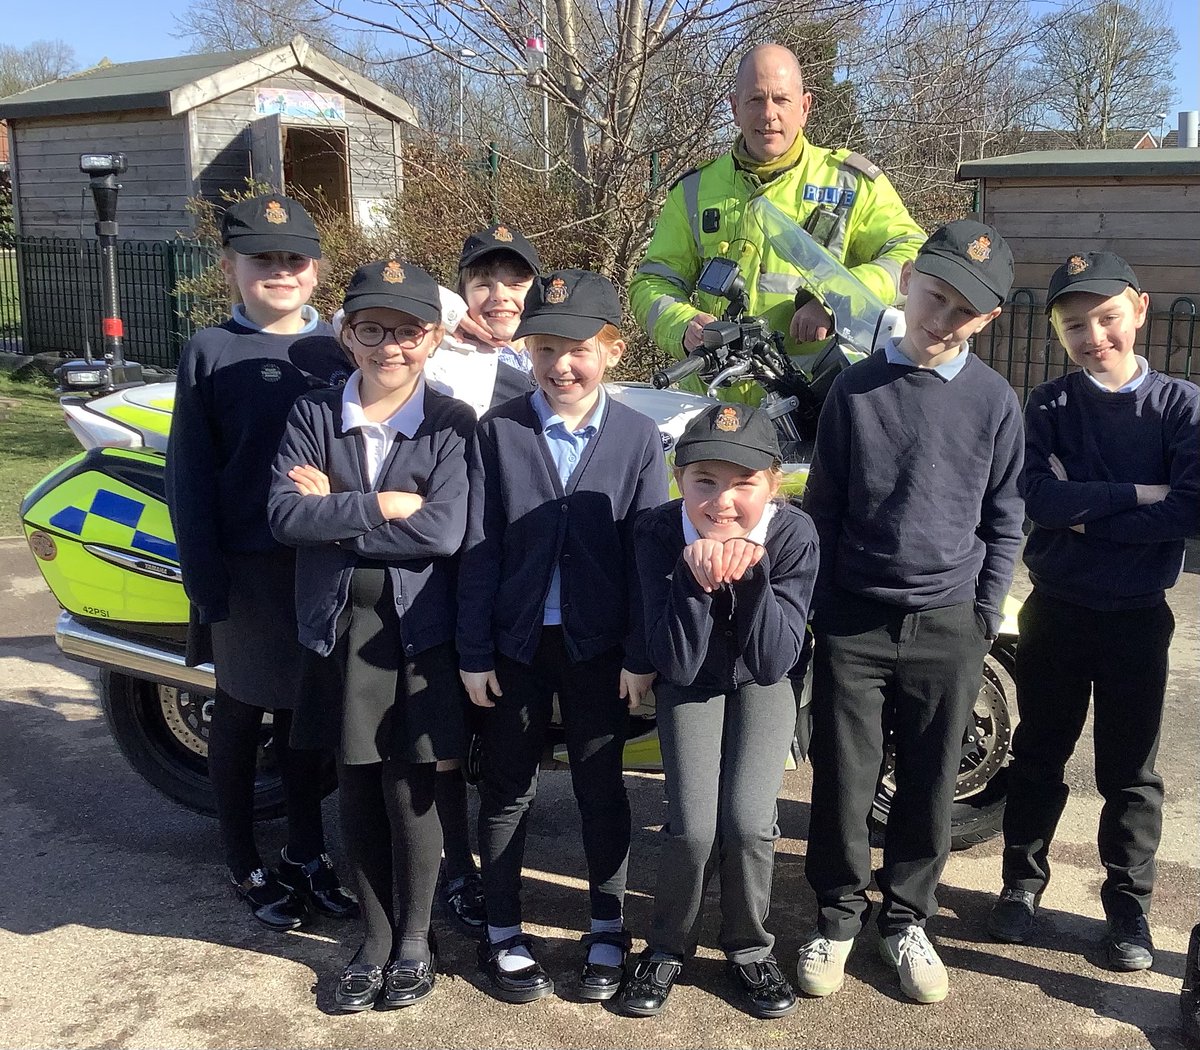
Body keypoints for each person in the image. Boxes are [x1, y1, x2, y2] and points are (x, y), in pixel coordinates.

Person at [798, 220, 1024, 1004]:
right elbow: (822, 509)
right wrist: (824, 608)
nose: (943, 319)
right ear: (906, 283)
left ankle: (906, 920)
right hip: (855, 622)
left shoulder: (996, 402)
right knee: (843, 778)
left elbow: (1004, 517)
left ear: (987, 321)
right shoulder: (854, 391)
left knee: (928, 784)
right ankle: (835, 916)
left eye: (965, 311)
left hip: (949, 624)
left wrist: (984, 613)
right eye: (935, 296)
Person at [268, 259, 475, 1011]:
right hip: (339, 627)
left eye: (408, 330)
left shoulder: (452, 423)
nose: (390, 345)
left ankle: (417, 941)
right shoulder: (314, 415)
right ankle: (376, 939)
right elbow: (286, 517)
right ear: (344, 332)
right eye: (371, 328)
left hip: (415, 633)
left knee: (411, 784)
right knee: (355, 783)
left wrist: (341, 514)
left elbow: (446, 530)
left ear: (436, 338)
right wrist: (384, 504)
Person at [457, 269, 669, 1003]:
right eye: (544, 348)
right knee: (508, 786)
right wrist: (475, 651)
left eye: (577, 347)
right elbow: (478, 547)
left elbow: (648, 557)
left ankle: (608, 926)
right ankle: (502, 929)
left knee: (600, 787)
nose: (560, 365)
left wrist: (641, 655)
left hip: (599, 652)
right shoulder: (500, 431)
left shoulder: (640, 439)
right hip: (516, 648)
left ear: (611, 349)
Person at [985, 252, 1200, 972]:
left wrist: (1088, 505)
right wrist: (1141, 495)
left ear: (1138, 309)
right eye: (1074, 325)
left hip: (1138, 616)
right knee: (1040, 753)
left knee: (1130, 772)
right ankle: (1021, 883)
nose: (1093, 336)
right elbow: (1037, 501)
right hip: (1058, 611)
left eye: (1106, 318)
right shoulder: (1047, 405)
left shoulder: (1180, 406)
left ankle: (1129, 907)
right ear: (1057, 332)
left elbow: (1190, 508)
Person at [165, 193, 357, 932]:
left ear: (317, 270)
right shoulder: (209, 352)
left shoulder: (342, 346)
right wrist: (204, 581)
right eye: (262, 258)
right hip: (246, 569)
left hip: (323, 564)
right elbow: (191, 476)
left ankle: (309, 850)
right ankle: (242, 856)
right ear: (230, 268)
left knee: (311, 719)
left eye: (294, 258)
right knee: (243, 716)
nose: (280, 270)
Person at [617, 403, 818, 1019]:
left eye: (743, 483)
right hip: (691, 680)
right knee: (694, 826)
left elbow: (772, 661)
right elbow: (674, 662)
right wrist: (692, 576)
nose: (723, 501)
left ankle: (749, 947)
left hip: (764, 679)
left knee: (750, 822)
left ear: (774, 485)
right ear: (679, 479)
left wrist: (750, 575)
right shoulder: (657, 532)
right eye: (704, 480)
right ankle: (668, 944)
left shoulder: (792, 535)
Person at [629, 42, 925, 402]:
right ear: (735, 108)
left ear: (804, 107)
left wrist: (833, 300)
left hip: (813, 404)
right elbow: (652, 283)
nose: (769, 114)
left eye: (781, 100)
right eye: (755, 100)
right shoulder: (694, 190)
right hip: (712, 403)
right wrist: (683, 326)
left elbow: (913, 258)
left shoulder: (850, 183)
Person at [425, 223, 540, 417]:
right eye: (483, 285)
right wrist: (451, 311)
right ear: (462, 294)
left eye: (515, 284)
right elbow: (380, 293)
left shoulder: (557, 352)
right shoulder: (436, 352)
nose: (499, 295)